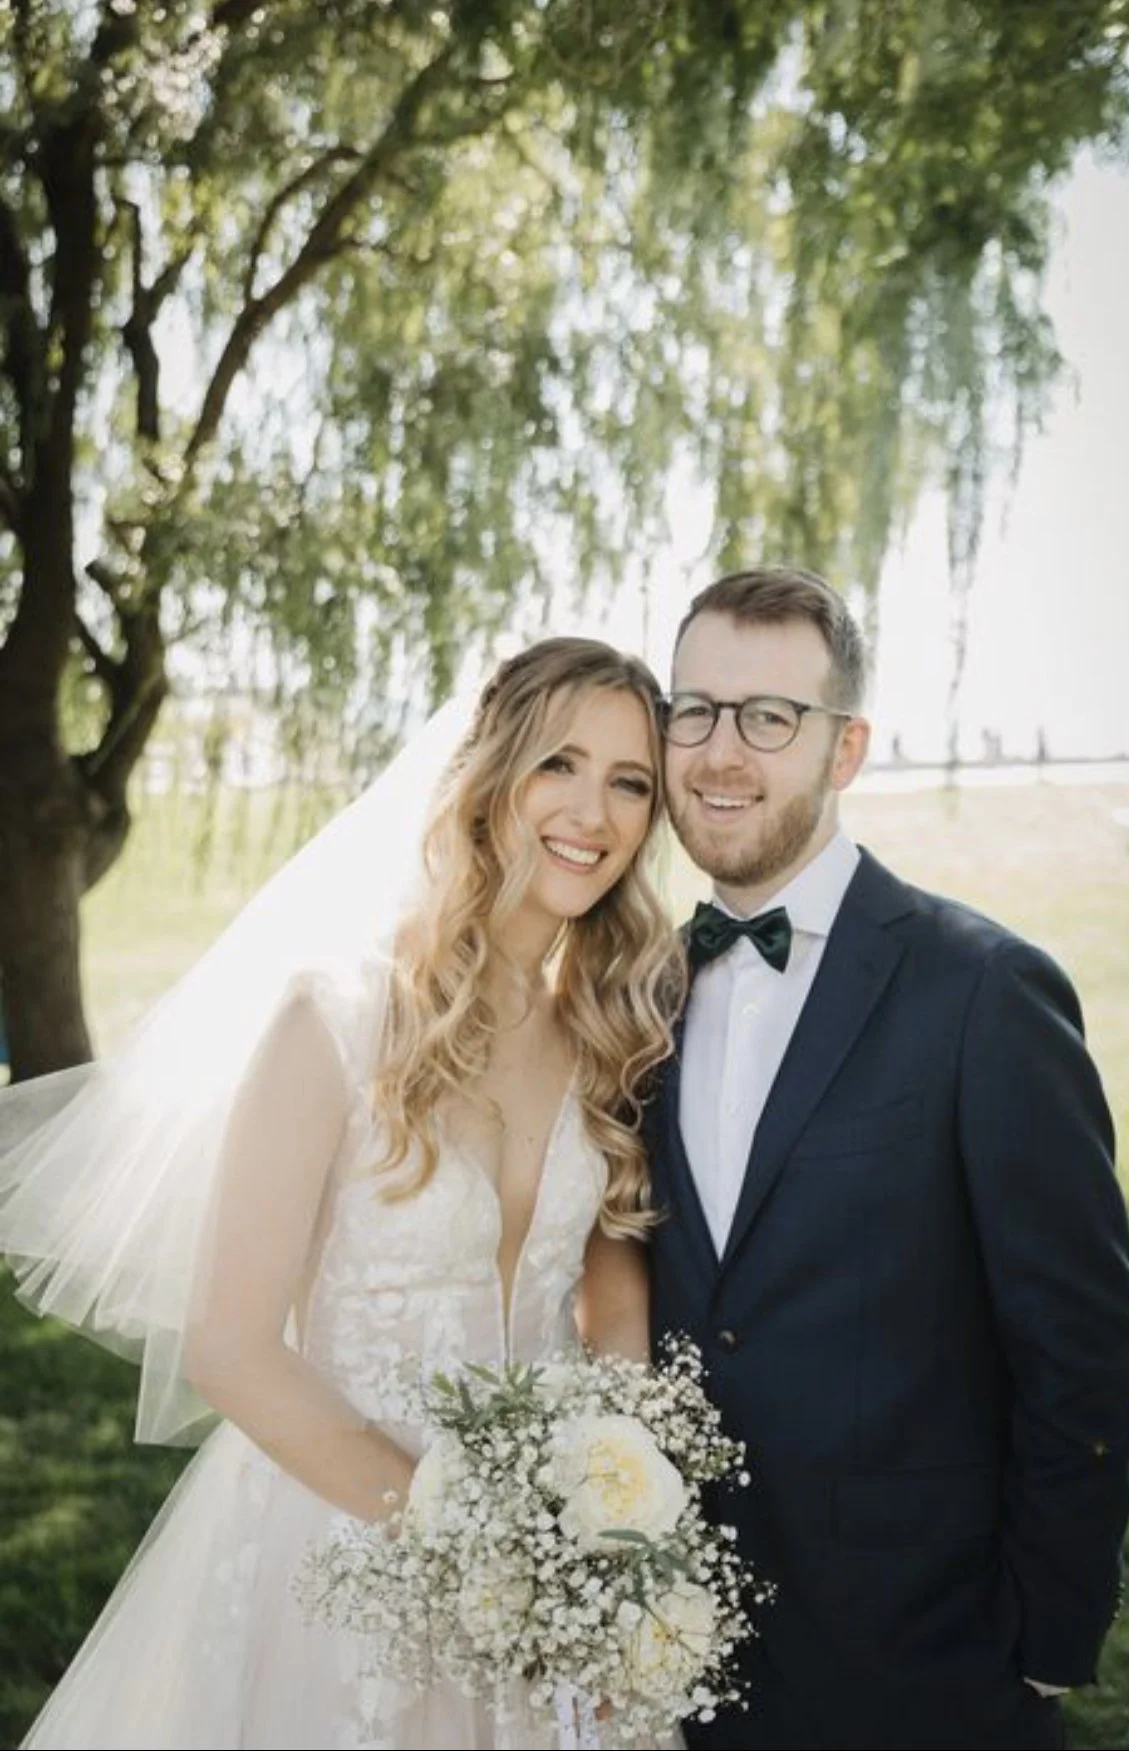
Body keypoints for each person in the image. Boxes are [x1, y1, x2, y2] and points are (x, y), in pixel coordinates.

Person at [0, 637, 687, 1750]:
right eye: (559, 762)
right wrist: (465, 1541)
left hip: (554, 1570)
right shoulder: (333, 1017)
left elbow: (611, 1311)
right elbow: (229, 1343)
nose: (592, 811)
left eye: (630, 782)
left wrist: (613, 1529)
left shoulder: (611, 1035)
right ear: (488, 777)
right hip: (336, 1551)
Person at [645, 567, 1129, 1751]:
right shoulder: (637, 993)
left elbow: (1082, 1346)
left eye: (771, 717)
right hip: (676, 1659)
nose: (723, 752)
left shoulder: (982, 990)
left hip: (927, 1671)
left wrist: (1043, 1648)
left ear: (847, 746)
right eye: (696, 710)